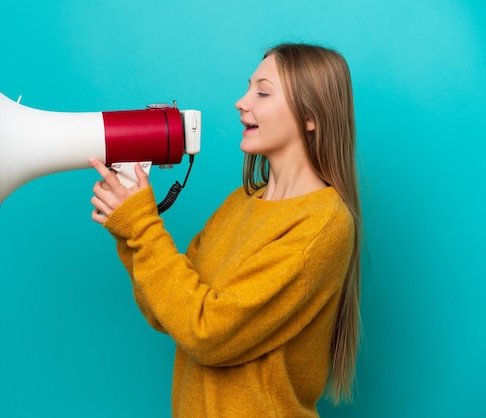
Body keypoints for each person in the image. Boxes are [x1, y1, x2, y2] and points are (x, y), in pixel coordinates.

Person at [89, 42, 361, 418]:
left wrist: (141, 225)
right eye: (248, 87)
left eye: (263, 92)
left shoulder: (322, 225)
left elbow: (209, 334)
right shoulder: (241, 203)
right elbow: (170, 312)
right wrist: (127, 227)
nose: (241, 101)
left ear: (311, 115)